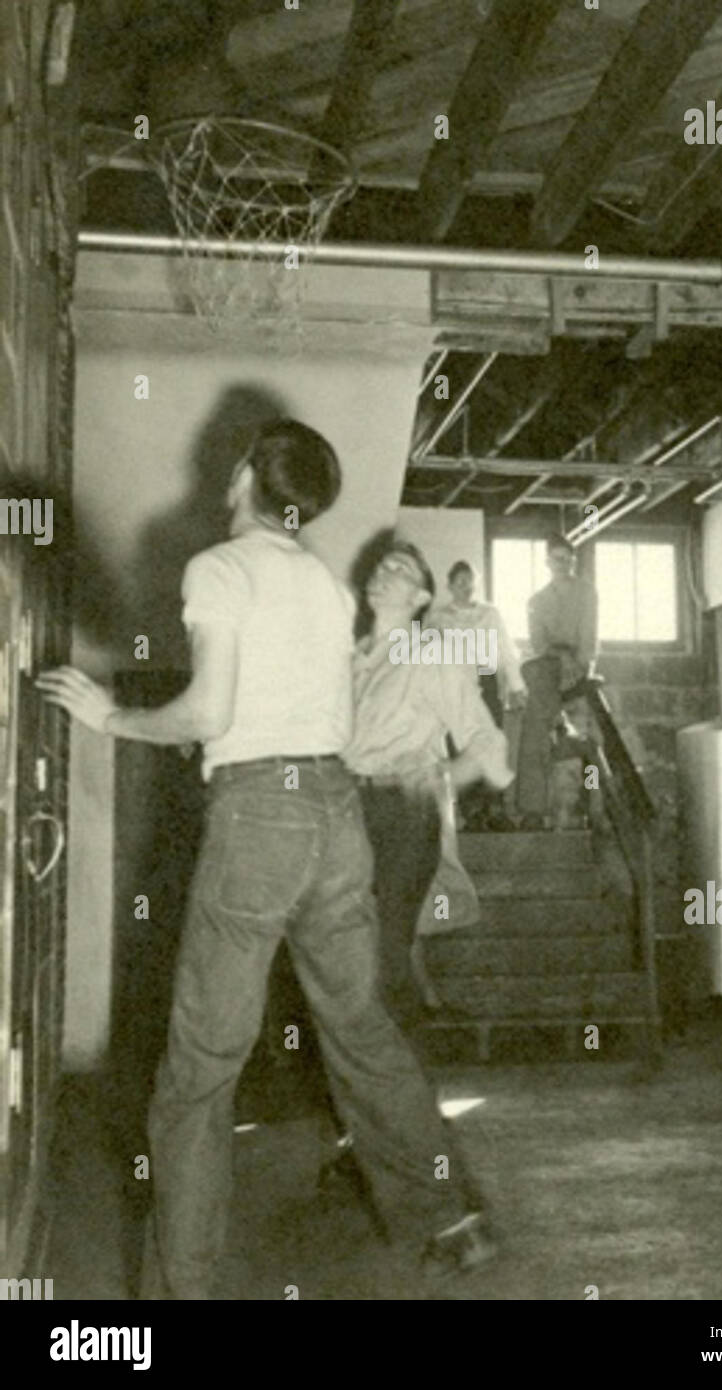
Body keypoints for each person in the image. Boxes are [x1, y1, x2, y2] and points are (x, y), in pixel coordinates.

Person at [37, 420, 495, 1297]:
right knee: (360, 1031)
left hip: (260, 817)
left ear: (247, 476)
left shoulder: (218, 568)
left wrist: (112, 717)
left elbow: (211, 713)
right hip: (335, 816)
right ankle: (451, 1216)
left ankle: (184, 1291)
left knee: (200, 1070)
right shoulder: (323, 585)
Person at [345, 532, 514, 1026]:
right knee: (343, 958)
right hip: (345, 809)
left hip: (402, 814)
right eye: (381, 566)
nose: (382, 572)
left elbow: (488, 744)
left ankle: (407, 1093)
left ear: (421, 598)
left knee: (385, 956)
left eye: (399, 570)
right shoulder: (352, 656)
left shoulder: (432, 652)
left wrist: (441, 779)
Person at [430, 560, 526, 830]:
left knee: (490, 742)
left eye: (470, 581)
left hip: (486, 683)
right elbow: (427, 658)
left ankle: (494, 810)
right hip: (454, 689)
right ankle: (471, 813)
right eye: (459, 582)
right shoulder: (437, 618)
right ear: (449, 586)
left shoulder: (490, 614)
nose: (466, 587)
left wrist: (517, 686)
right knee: (461, 747)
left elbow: (506, 649)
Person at [516, 532, 598, 830]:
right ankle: (533, 809)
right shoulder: (536, 601)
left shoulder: (587, 592)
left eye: (568, 559)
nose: (562, 564)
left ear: (573, 561)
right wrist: (559, 659)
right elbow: (538, 642)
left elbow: (589, 635)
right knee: (535, 727)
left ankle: (585, 811)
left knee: (585, 739)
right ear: (547, 562)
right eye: (557, 559)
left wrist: (580, 665)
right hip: (550, 666)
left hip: (579, 667)